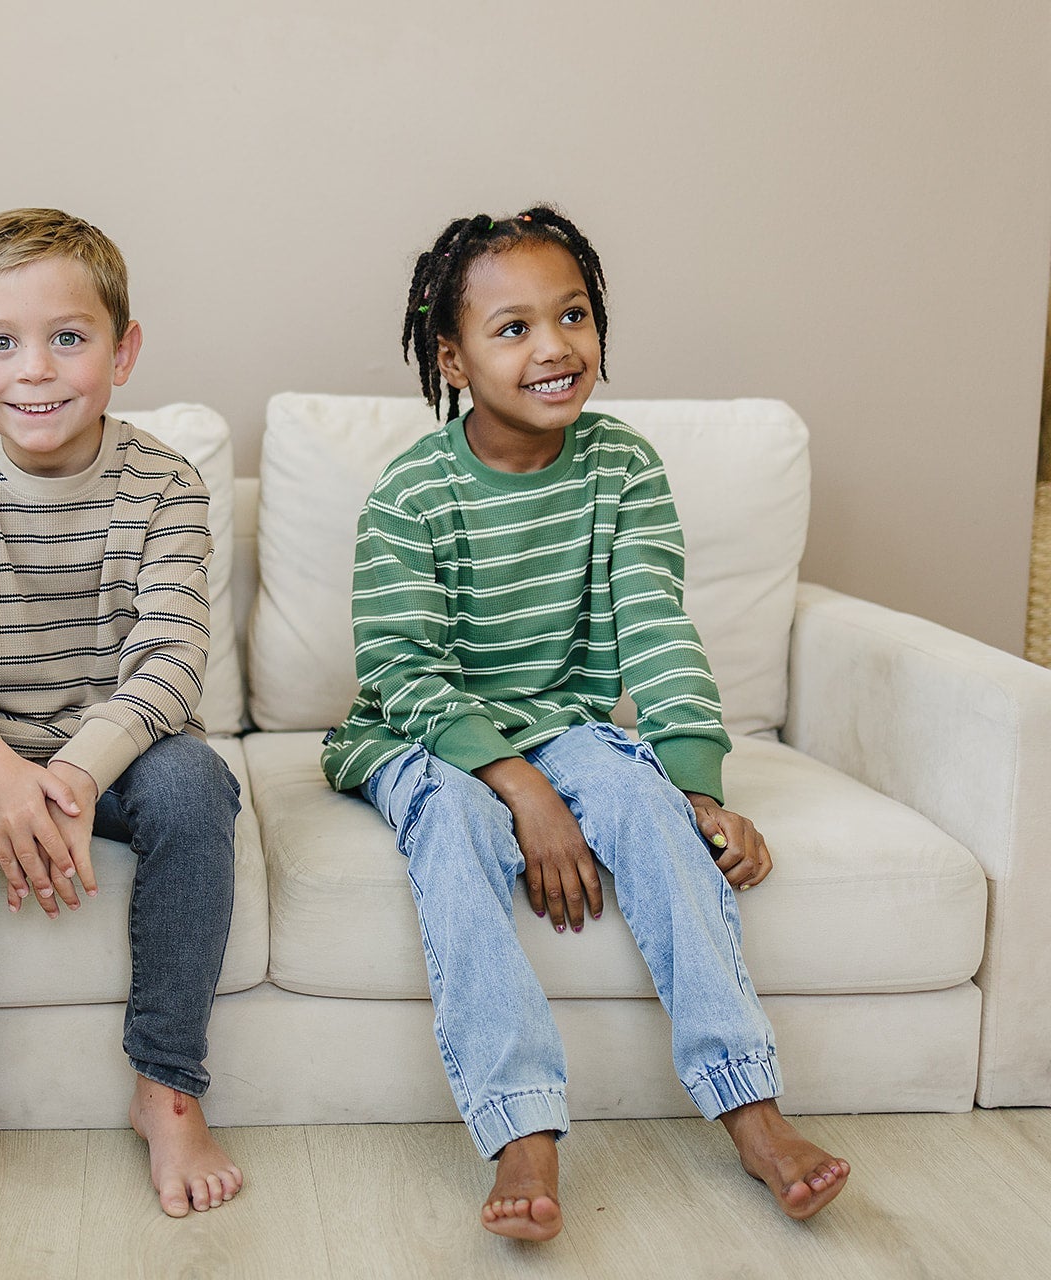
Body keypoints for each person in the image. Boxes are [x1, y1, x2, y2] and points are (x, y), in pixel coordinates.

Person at [321, 207, 850, 1241]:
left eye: (572, 315)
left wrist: (694, 790)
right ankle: (521, 1128)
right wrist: (520, 788)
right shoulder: (411, 490)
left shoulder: (623, 467)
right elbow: (400, 669)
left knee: (639, 798)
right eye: (512, 327)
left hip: (557, 719)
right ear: (452, 359)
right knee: (455, 825)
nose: (554, 346)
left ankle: (751, 1107)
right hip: (418, 731)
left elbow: (655, 627)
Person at [0, 208, 243, 1219]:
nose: (35, 370)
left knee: (197, 788)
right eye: (0, 343)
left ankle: (168, 1087)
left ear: (123, 352)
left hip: (123, 754)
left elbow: (169, 662)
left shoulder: (166, 485)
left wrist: (69, 776)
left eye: (68, 337)